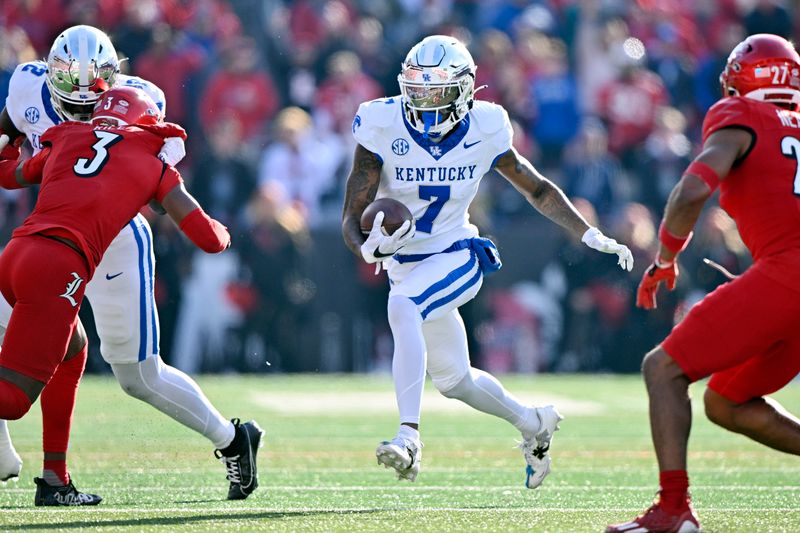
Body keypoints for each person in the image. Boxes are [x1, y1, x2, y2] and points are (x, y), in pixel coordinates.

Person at [341, 35, 633, 488]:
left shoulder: (486, 126)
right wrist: (366, 247)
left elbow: (536, 188)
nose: (425, 102)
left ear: (463, 90)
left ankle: (409, 437)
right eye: (417, 91)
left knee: (402, 308)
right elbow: (351, 215)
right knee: (455, 380)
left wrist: (589, 233)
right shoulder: (382, 122)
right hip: (406, 264)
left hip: (456, 252)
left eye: (436, 92)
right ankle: (534, 422)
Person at [0, 25, 260, 504]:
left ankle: (231, 438)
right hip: (47, 237)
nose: (81, 113)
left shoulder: (140, 101)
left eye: (92, 103)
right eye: (70, 103)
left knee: (137, 375)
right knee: (56, 345)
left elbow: (160, 193)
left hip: (113, 241)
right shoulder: (25, 88)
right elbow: (8, 147)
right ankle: (50, 476)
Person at [606, 34, 800, 533]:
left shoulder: (744, 115)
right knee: (726, 402)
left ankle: (673, 510)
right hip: (784, 275)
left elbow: (693, 189)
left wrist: (666, 257)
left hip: (788, 274)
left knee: (663, 369)